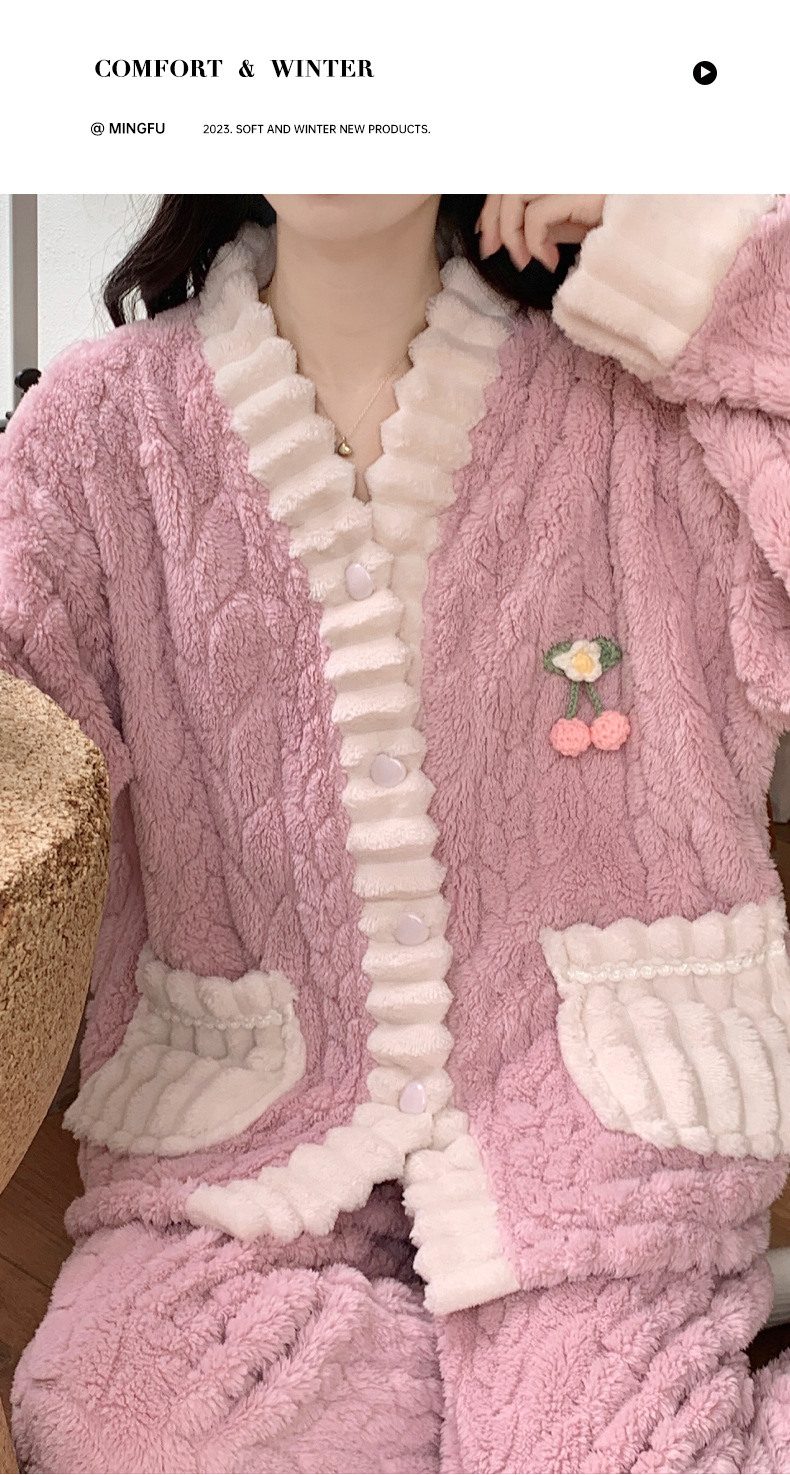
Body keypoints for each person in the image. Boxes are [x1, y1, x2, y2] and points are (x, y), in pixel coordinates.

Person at [3, 192, 790, 1474]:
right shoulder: (98, 435)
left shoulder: (644, 407)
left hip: (589, 1136)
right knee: (119, 1418)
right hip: (241, 1140)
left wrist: (676, 240)